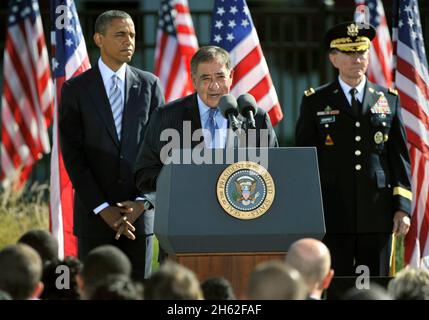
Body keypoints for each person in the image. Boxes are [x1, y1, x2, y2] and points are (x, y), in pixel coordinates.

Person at [295, 22, 412, 276]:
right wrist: (307, 208)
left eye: (362, 52)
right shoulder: (315, 101)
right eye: (349, 53)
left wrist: (402, 206)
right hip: (334, 210)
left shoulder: (388, 99)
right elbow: (304, 159)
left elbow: (399, 156)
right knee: (337, 282)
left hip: (378, 211)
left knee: (376, 283)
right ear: (333, 58)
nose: (356, 59)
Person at [59, 10, 164, 281]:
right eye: (120, 34)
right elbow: (73, 155)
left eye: (131, 35)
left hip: (138, 220)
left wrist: (143, 201)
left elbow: (163, 150)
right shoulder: (75, 89)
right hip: (94, 220)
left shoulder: (150, 85)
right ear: (99, 39)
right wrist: (102, 207)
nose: (128, 40)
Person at [134, 45, 278, 194]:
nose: (214, 85)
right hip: (188, 209)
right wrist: (181, 179)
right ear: (194, 81)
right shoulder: (166, 116)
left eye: (220, 77)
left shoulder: (254, 117)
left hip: (241, 209)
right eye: (206, 78)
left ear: (231, 77)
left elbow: (275, 169)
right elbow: (144, 174)